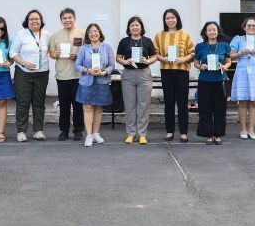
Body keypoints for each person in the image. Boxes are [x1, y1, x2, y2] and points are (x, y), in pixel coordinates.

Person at [153, 8, 196, 143]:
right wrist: (164, 59)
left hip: (182, 71)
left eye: (172, 17)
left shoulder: (185, 34)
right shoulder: (159, 35)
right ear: (164, 20)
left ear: (177, 19)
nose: (170, 20)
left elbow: (193, 52)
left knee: (183, 103)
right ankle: (170, 131)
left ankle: (183, 132)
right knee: (169, 102)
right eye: (167, 18)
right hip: (166, 71)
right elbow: (155, 54)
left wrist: (184, 59)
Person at [10, 9, 51, 142]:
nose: (34, 21)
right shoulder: (21, 34)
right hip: (24, 73)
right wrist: (25, 63)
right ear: (27, 22)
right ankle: (21, 131)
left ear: (41, 21)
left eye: (37, 19)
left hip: (42, 73)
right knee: (23, 102)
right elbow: (13, 53)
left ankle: (38, 131)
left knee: (39, 102)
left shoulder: (46, 35)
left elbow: (50, 51)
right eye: (31, 19)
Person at [116, 16, 156, 145]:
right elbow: (118, 57)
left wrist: (148, 60)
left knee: (143, 105)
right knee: (129, 105)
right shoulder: (124, 41)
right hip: (128, 74)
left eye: (137, 25)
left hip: (144, 74)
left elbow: (154, 56)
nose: (135, 27)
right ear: (129, 28)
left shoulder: (148, 41)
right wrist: (125, 61)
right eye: (132, 25)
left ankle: (142, 134)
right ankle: (131, 134)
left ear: (141, 27)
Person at [74, 23, 115, 147]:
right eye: (91, 32)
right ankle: (89, 135)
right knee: (87, 108)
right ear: (88, 34)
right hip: (87, 81)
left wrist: (104, 73)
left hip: (102, 81)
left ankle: (96, 133)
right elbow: (77, 65)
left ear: (100, 33)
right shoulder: (83, 48)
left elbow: (112, 65)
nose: (93, 33)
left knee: (98, 109)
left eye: (96, 31)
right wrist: (87, 70)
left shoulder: (107, 47)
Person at [229, 17, 255, 140]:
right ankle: (243, 130)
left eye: (254, 26)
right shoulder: (238, 39)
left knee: (253, 102)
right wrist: (241, 53)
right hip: (242, 71)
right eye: (249, 25)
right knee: (242, 102)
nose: (251, 28)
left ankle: (251, 130)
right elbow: (230, 56)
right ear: (244, 27)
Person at [49, 8, 86, 141]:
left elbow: (88, 51)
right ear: (61, 20)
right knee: (64, 105)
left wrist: (78, 56)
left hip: (78, 75)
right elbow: (51, 53)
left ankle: (78, 130)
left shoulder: (83, 33)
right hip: (62, 75)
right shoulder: (55, 36)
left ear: (74, 18)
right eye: (64, 18)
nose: (67, 20)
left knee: (78, 105)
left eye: (70, 17)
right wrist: (55, 54)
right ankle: (63, 130)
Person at [193, 22, 231, 145]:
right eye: (209, 30)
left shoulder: (224, 45)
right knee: (205, 109)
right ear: (205, 32)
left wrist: (225, 67)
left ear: (218, 31)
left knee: (220, 109)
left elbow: (229, 61)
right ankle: (208, 134)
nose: (212, 32)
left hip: (220, 81)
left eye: (214, 30)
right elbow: (196, 63)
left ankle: (218, 134)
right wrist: (201, 66)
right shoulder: (200, 46)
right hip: (205, 81)